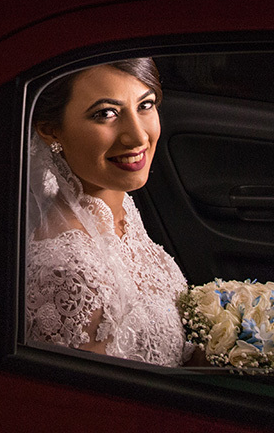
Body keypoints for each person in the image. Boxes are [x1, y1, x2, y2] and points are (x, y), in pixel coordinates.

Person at [26, 59, 195, 366]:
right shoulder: (71, 272)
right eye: (106, 114)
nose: (137, 136)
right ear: (51, 131)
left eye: (145, 105)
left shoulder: (116, 207)